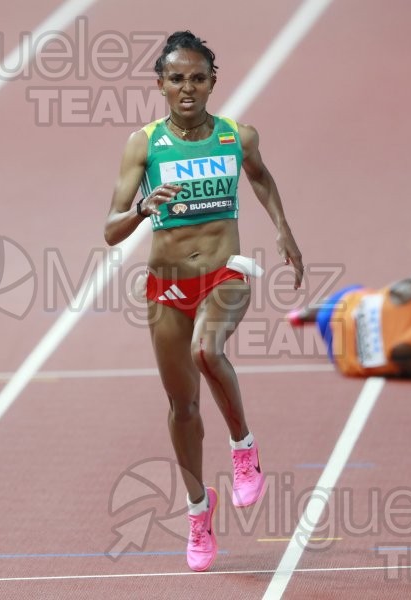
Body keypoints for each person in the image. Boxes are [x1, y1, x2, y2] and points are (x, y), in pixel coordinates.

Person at [103, 31, 304, 571]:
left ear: (213, 82)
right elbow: (110, 230)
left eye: (197, 78)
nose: (187, 88)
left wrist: (283, 230)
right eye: (176, 79)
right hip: (166, 285)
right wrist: (145, 209)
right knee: (183, 408)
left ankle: (244, 450)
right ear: (160, 85)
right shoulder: (143, 145)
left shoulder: (238, 136)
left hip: (225, 272)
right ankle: (198, 510)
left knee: (206, 351)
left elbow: (260, 179)